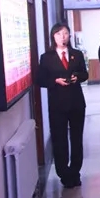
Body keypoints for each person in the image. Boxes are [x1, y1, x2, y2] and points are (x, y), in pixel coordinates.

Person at [37, 23, 89, 188]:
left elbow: (85, 74)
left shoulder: (77, 54)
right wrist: (55, 81)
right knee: (59, 139)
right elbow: (40, 79)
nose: (63, 37)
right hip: (57, 104)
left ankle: (75, 171)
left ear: (69, 36)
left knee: (76, 138)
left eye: (65, 33)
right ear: (53, 37)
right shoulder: (46, 57)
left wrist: (77, 77)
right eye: (59, 34)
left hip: (76, 102)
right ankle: (63, 173)